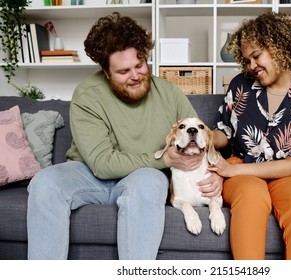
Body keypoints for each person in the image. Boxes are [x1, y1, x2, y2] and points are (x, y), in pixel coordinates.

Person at [27, 12, 223, 260]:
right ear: (106, 72)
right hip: (88, 175)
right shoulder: (88, 95)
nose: (135, 75)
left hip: (142, 177)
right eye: (123, 71)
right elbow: (102, 164)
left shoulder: (170, 93)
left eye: (140, 65)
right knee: (45, 182)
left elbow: (202, 140)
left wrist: (217, 176)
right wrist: (166, 160)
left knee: (150, 182)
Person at [209, 12, 291, 260]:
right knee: (252, 198)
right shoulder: (240, 86)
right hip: (242, 165)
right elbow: (225, 133)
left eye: (256, 56)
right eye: (247, 60)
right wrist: (206, 136)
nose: (252, 66)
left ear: (280, 47)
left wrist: (233, 172)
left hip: (288, 174)